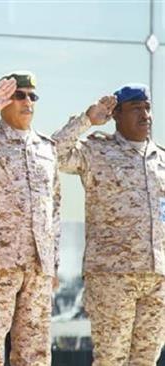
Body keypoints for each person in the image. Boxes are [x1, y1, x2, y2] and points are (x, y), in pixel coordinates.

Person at [52, 84, 165, 365]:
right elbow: (53, 153)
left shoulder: (161, 160)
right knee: (111, 359)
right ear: (116, 115)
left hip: (158, 279)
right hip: (113, 277)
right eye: (136, 108)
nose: (145, 115)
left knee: (146, 360)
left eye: (147, 108)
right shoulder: (97, 152)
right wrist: (87, 120)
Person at [0, 71, 60, 366]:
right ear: (4, 100)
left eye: (32, 96)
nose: (27, 101)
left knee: (35, 355)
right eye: (19, 95)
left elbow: (53, 209)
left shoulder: (46, 148)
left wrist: (52, 263)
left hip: (37, 268)